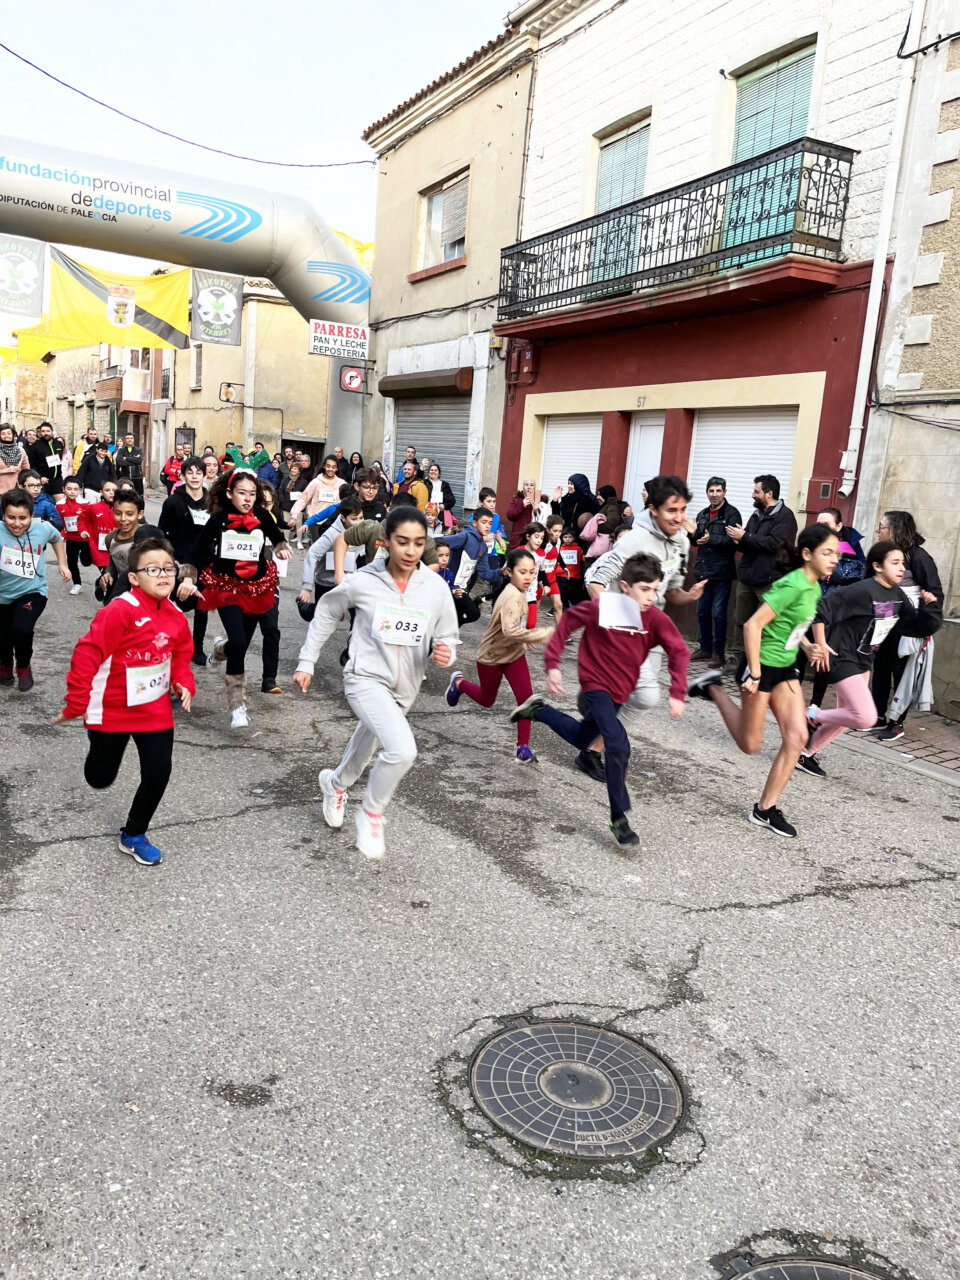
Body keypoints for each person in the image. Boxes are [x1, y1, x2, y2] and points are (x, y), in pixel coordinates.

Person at [293, 505, 460, 861]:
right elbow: (326, 611)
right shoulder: (364, 582)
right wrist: (307, 661)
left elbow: (447, 635)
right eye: (402, 542)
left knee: (367, 744)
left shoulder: (434, 588)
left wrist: (446, 652)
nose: (411, 551)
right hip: (364, 678)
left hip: (407, 686)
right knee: (402, 750)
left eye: (418, 543)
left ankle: (335, 784)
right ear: (385, 542)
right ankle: (371, 813)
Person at [512, 553, 690, 845]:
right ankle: (618, 818)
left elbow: (679, 651)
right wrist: (553, 665)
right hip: (595, 684)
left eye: (655, 590)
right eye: (644, 589)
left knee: (583, 738)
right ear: (624, 586)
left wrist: (678, 692)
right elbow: (568, 621)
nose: (650, 597)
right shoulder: (605, 607)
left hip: (621, 691)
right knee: (617, 744)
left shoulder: (654, 618)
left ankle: (538, 710)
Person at [51, 536, 195, 867]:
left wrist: (184, 683)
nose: (163, 575)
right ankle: (95, 738)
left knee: (158, 772)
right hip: (111, 709)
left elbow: (181, 657)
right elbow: (87, 654)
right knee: (99, 778)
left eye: (168, 568)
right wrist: (77, 704)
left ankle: (133, 834)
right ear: (133, 577)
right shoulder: (119, 611)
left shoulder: (174, 615)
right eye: (152, 569)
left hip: (155, 710)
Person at [688, 523, 838, 839]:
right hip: (761, 665)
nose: (834, 558)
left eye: (836, 553)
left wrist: (808, 645)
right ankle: (713, 687)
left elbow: (791, 627)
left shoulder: (812, 586)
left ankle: (765, 810)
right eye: (828, 552)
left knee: (796, 738)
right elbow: (753, 626)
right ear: (808, 554)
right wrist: (754, 672)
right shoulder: (793, 585)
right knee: (750, 744)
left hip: (784, 668)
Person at [796, 540, 940, 778]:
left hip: (863, 661)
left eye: (902, 563)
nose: (901, 568)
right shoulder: (862, 590)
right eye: (895, 563)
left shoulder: (897, 594)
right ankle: (811, 715)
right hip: (842, 657)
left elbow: (914, 625)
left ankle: (806, 753)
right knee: (865, 717)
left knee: (846, 716)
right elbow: (821, 609)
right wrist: (819, 644)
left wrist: (930, 608)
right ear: (877, 566)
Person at [184, 468, 292, 728]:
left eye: (252, 494)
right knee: (241, 642)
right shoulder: (218, 520)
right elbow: (194, 553)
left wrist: (282, 548)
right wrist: (187, 578)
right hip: (226, 587)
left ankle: (220, 649)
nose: (247, 499)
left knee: (237, 645)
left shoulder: (263, 516)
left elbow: (278, 539)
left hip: (257, 588)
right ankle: (237, 706)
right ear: (230, 493)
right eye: (242, 493)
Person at [446, 548, 554, 763]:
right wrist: (540, 635)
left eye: (532, 572)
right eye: (522, 572)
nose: (528, 577)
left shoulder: (518, 590)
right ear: (509, 572)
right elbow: (510, 631)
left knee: (526, 700)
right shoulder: (512, 596)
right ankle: (459, 683)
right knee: (487, 700)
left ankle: (522, 748)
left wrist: (527, 637)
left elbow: (516, 630)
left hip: (514, 655)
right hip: (492, 656)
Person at [864, 510, 944, 740]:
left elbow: (934, 592)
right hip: (884, 621)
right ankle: (877, 716)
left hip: (907, 625)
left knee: (902, 674)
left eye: (882, 527)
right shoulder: (885, 555)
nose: (878, 531)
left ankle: (896, 722)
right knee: (880, 668)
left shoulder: (918, 557)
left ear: (895, 530)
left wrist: (924, 624)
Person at [0, 487, 71, 691]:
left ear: (32, 515)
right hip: (2, 596)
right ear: (3, 514)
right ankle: (5, 663)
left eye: (23, 518)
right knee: (3, 638)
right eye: (11, 517)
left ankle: (24, 666)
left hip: (32, 591)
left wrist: (62, 564)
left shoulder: (42, 529)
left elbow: (57, 539)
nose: (17, 523)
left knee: (21, 629)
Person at [726, 475, 798, 665]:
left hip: (769, 580)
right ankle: (738, 658)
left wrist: (746, 537)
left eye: (756, 492)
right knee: (741, 619)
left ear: (769, 493)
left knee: (767, 623)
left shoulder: (785, 517)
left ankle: (761, 660)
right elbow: (749, 543)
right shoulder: (756, 515)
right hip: (747, 578)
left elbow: (776, 544)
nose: (752, 495)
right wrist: (739, 540)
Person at [158, 456, 211, 664]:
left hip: (205, 563)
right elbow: (162, 533)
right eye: (190, 472)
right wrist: (171, 560)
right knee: (174, 606)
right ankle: (172, 645)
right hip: (178, 562)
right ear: (182, 476)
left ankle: (197, 648)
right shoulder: (173, 502)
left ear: (205, 475)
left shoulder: (211, 502)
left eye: (199, 472)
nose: (195, 476)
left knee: (202, 607)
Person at [689, 476, 742, 665]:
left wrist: (711, 539)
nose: (714, 494)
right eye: (711, 491)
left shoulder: (732, 514)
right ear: (707, 493)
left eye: (718, 491)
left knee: (718, 614)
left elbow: (734, 542)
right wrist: (692, 535)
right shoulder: (703, 514)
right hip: (703, 570)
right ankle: (705, 648)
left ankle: (718, 653)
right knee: (702, 612)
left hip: (722, 572)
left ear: (725, 492)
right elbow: (697, 540)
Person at [298, 496, 365, 621]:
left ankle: (352, 637)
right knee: (320, 617)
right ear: (343, 518)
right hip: (326, 582)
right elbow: (312, 555)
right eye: (354, 519)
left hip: (348, 581)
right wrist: (307, 587)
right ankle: (303, 606)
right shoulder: (332, 534)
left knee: (357, 615)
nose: (359, 523)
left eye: (361, 518)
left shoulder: (364, 530)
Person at [438, 508, 502, 626]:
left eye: (490, 523)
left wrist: (501, 572)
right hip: (449, 587)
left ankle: (446, 633)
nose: (488, 526)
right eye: (484, 522)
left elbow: (484, 573)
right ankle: (444, 632)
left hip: (462, 589)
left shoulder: (483, 546)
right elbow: (439, 541)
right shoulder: (465, 537)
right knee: (471, 612)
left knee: (468, 614)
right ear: (474, 522)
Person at [78, 477, 117, 599]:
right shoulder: (93, 507)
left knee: (115, 574)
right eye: (107, 490)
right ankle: (109, 601)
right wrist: (83, 530)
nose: (111, 493)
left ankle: (99, 583)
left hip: (116, 547)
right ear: (101, 492)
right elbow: (81, 520)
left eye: (114, 490)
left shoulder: (122, 509)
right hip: (98, 548)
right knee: (107, 574)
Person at [291, 455, 347, 533]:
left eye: (333, 467)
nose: (330, 469)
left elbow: (347, 501)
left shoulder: (342, 484)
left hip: (333, 523)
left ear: (337, 468)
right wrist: (294, 515)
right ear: (324, 466)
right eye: (328, 466)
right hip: (316, 522)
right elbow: (303, 499)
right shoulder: (316, 482)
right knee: (318, 545)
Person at [59, 475, 91, 595]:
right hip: (71, 539)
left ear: (80, 490)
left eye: (75, 489)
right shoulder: (59, 504)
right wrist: (62, 534)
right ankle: (77, 584)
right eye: (69, 489)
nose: (72, 492)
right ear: (63, 489)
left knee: (87, 561)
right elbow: (60, 522)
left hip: (85, 538)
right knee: (71, 562)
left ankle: (84, 558)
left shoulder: (86, 504)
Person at [507, 478, 552, 549]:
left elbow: (545, 520)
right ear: (523, 487)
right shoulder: (516, 500)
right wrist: (522, 506)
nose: (529, 487)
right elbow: (510, 516)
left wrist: (537, 510)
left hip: (534, 537)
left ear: (534, 488)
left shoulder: (540, 502)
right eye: (526, 485)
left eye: (531, 485)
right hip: (518, 537)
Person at [26, 422, 65, 497]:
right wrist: (39, 477)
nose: (45, 433)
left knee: (60, 503)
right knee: (45, 504)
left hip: (57, 479)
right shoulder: (35, 446)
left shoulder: (58, 444)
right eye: (43, 431)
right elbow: (31, 464)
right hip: (43, 481)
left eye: (48, 431)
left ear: (52, 431)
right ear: (40, 433)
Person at [424, 463, 456, 534]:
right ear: (428, 472)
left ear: (439, 473)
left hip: (441, 514)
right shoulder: (424, 483)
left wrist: (445, 506)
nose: (433, 472)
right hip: (428, 513)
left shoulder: (444, 485)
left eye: (436, 470)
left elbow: (452, 500)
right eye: (431, 470)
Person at [556, 527, 584, 607]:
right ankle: (564, 606)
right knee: (561, 592)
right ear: (562, 538)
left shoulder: (578, 549)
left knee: (569, 593)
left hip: (572, 575)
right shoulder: (560, 548)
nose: (568, 539)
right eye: (565, 537)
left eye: (570, 537)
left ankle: (566, 606)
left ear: (574, 538)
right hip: (560, 574)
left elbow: (579, 562)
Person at [0, 424, 29, 495]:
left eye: (9, 433)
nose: (6, 436)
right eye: (3, 434)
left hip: (16, 491)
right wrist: (7, 470)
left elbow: (26, 470)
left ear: (13, 435)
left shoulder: (20, 450)